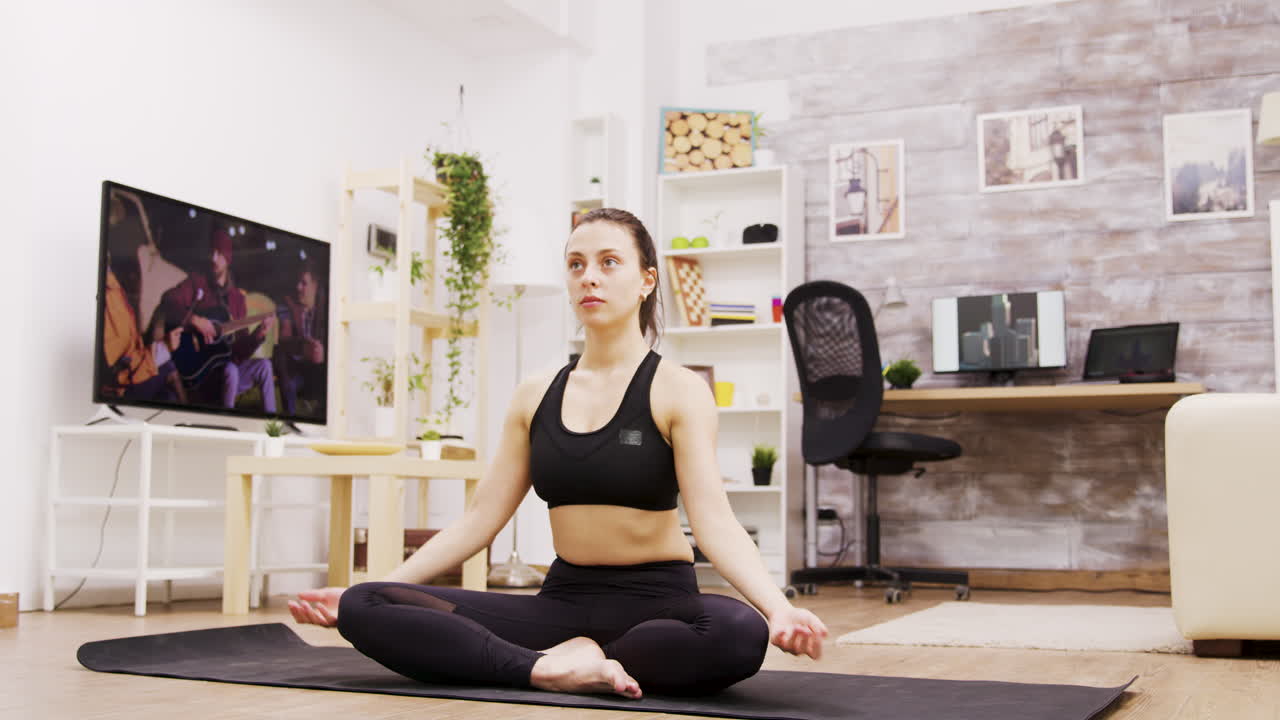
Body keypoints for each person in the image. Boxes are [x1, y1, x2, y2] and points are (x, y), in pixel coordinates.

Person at [289, 208, 827, 699]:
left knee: (739, 632)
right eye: (576, 264)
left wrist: (778, 608)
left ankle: (571, 659)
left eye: (609, 262)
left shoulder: (680, 390)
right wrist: (383, 584)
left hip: (660, 603)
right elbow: (479, 520)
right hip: (562, 602)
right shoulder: (534, 394)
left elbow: (716, 524)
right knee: (365, 603)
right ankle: (547, 667)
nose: (589, 276)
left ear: (646, 280)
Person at [159, 228, 277, 412]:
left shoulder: (237, 299)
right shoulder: (197, 282)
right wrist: (194, 319)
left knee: (265, 366)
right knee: (231, 370)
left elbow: (238, 352)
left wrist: (259, 335)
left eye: (220, 254)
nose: (214, 258)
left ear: (228, 259)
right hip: (202, 374)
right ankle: (226, 422)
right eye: (212, 252)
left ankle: (273, 424)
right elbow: (168, 301)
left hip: (228, 374)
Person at [273, 257, 327, 418]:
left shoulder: (327, 309)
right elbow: (284, 340)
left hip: (319, 371)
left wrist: (323, 354)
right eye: (297, 282)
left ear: (315, 286)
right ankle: (289, 418)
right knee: (281, 357)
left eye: (304, 283)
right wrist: (303, 348)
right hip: (296, 369)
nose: (298, 287)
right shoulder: (287, 305)